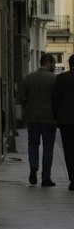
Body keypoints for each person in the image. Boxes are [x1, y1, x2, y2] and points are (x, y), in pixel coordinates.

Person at [19, 53, 58, 186]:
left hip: (32, 117)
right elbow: (57, 99)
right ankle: (46, 177)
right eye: (53, 63)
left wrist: (28, 108)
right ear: (48, 63)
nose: (54, 66)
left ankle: (33, 167)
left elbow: (22, 98)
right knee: (48, 147)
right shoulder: (54, 79)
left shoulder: (28, 78)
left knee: (33, 143)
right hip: (49, 118)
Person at [52, 54, 74, 191]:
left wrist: (56, 117)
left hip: (66, 121)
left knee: (69, 150)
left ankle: (73, 179)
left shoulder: (61, 78)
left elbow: (55, 100)